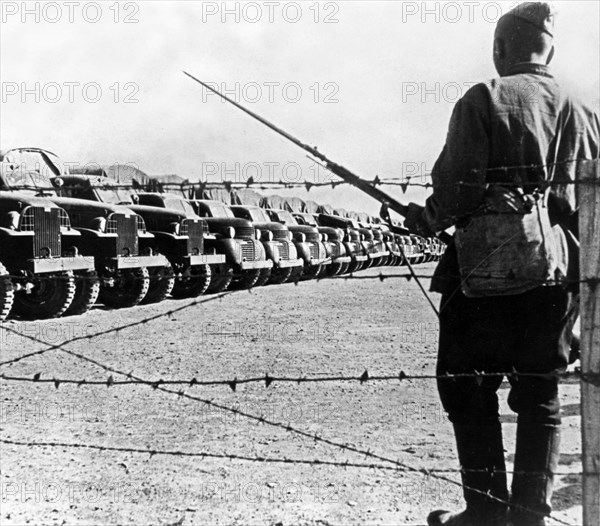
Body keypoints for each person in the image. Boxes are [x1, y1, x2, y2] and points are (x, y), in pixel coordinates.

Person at [404, 3, 599, 526]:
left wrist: (426, 218)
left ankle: (485, 516)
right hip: (557, 281)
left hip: (484, 280)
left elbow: (457, 191)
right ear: (550, 50)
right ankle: (531, 516)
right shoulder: (585, 108)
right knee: (540, 396)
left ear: (500, 48)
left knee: (468, 389)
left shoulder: (484, 97)